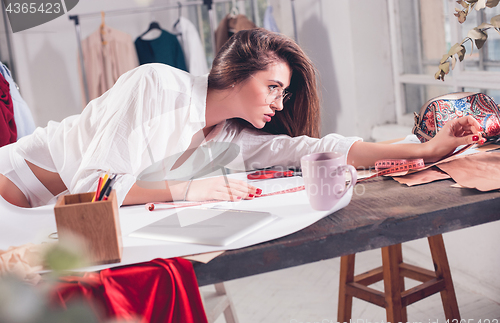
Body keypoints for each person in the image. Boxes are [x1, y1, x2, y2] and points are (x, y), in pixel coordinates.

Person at [0, 28, 484, 209]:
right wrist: (190, 189)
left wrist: (425, 148)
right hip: (12, 190)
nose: (279, 101)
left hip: (55, 219)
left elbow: (317, 147)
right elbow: (93, 187)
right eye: (273, 86)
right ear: (235, 73)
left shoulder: (230, 134)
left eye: (285, 92)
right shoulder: (155, 84)